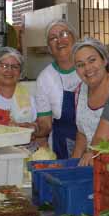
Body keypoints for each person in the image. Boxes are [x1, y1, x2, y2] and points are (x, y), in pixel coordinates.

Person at [71, 37, 109, 164]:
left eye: (92, 60)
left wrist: (95, 152)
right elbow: (82, 134)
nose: (87, 68)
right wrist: (72, 166)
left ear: (104, 60)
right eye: (80, 65)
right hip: (93, 165)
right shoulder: (79, 91)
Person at [34, 19, 80, 159]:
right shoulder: (45, 78)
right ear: (49, 48)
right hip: (62, 147)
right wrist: (33, 131)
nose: (59, 41)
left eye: (64, 34)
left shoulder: (89, 68)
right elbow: (45, 123)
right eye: (53, 38)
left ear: (75, 38)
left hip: (96, 141)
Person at [0, 47, 37, 127]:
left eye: (15, 67)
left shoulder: (31, 99)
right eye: (4, 66)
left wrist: (31, 128)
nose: (9, 70)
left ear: (20, 73)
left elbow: (40, 132)